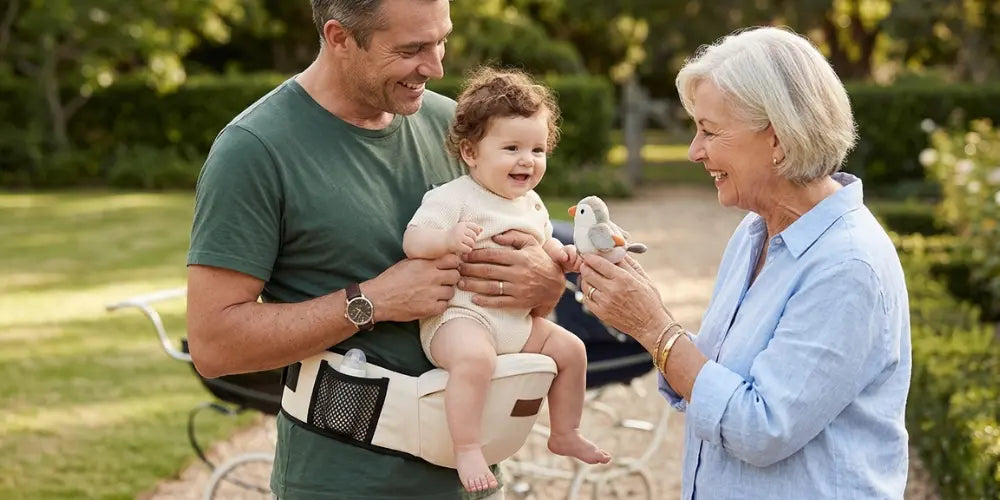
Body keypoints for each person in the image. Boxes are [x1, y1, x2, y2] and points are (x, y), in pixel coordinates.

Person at [185, 1, 567, 498]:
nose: (436, 66)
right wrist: (372, 302)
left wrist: (546, 281)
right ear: (339, 37)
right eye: (411, 49)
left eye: (441, 40)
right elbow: (214, 345)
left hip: (471, 481)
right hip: (342, 483)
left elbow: (525, 280)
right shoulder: (254, 149)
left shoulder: (455, 127)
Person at [577, 26, 911, 499]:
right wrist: (641, 313)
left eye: (710, 131)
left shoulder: (848, 264)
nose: (694, 151)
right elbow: (725, 375)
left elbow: (760, 428)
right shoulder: (754, 232)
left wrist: (655, 328)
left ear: (777, 139)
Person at [402, 67, 611, 493]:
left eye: (537, 149)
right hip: (461, 321)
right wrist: (446, 239)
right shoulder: (453, 197)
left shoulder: (530, 204)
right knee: (476, 362)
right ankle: (467, 447)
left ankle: (564, 432)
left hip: (515, 324)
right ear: (471, 152)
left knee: (571, 349)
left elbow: (545, 244)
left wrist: (562, 256)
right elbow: (412, 241)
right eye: (512, 147)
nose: (527, 160)